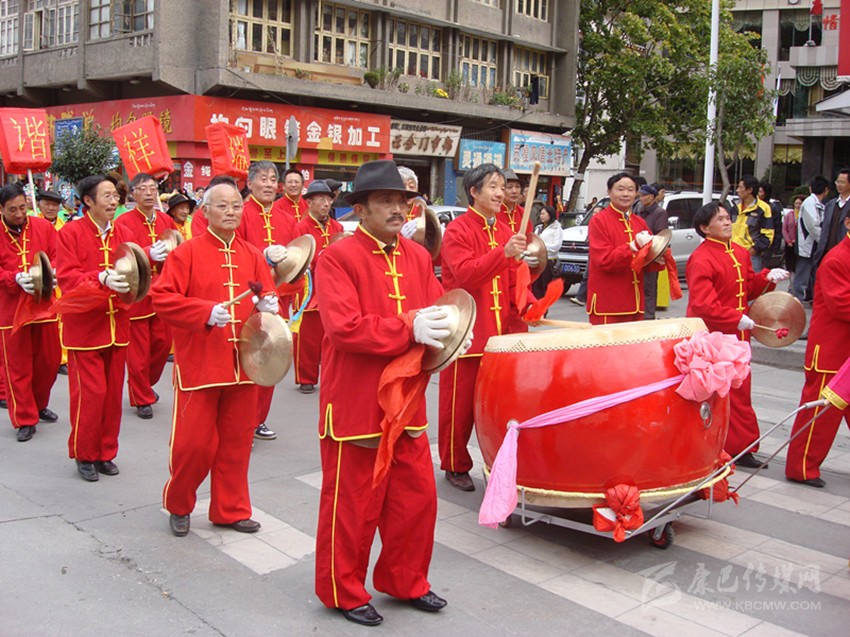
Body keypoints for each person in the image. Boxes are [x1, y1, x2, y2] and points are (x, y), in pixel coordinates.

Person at [314, 159, 454, 626]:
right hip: (355, 401)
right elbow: (343, 328)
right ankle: (343, 590)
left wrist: (456, 330)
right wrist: (408, 326)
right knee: (352, 504)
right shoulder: (336, 257)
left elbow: (438, 309)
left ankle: (405, 579)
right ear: (361, 209)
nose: (398, 209)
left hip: (407, 401)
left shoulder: (417, 256)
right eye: (385, 201)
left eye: (402, 201)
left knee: (416, 500)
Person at [151, 181, 278, 537]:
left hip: (244, 364)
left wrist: (270, 303)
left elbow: (266, 292)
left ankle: (230, 509)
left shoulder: (252, 253)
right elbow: (163, 299)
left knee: (236, 443)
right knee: (192, 445)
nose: (231, 212)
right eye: (222, 206)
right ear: (204, 211)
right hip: (201, 364)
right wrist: (203, 312)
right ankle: (179, 504)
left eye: (236, 206)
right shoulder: (186, 253)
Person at [438, 163, 536, 491]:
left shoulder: (505, 231)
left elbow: (514, 280)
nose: (499, 193)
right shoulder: (458, 230)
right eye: (492, 187)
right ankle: (454, 463)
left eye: (502, 187)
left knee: (496, 405)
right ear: (474, 191)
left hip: (498, 336)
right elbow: (466, 275)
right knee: (458, 405)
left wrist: (528, 306)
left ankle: (496, 460)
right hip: (466, 333)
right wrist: (502, 253)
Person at [686, 201, 789, 467]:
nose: (727, 222)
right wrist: (735, 317)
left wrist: (767, 278)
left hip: (738, 334)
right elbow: (703, 304)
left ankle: (742, 447)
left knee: (741, 393)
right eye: (720, 219)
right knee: (717, 394)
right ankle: (715, 446)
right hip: (714, 337)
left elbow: (749, 287)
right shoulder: (701, 257)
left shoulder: (740, 252)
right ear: (704, 228)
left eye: (727, 218)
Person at [57, 175, 134, 481]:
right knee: (90, 395)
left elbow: (136, 271)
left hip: (117, 324)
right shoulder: (71, 233)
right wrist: (99, 278)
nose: (113, 201)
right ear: (88, 201)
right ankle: (84, 453)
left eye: (115, 195)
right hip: (85, 329)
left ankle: (105, 452)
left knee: (112, 396)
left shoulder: (123, 232)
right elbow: (67, 277)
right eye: (106, 196)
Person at [785, 213, 850, 488]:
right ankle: (801, 468)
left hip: (844, 352)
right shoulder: (837, 259)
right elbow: (841, 304)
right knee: (819, 416)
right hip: (831, 352)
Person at [240, 161, 297, 441]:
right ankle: (243, 422)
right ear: (250, 183)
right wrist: (262, 256)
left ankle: (258, 420)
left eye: (273, 179)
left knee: (272, 357)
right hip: (246, 298)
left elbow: (296, 261)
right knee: (248, 359)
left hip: (277, 299)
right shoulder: (240, 214)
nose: (269, 184)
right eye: (263, 179)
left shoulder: (287, 219)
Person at [0, 183, 61, 442]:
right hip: (11, 308)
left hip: (43, 305)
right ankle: (24, 418)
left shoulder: (43, 227)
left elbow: (58, 255)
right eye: (12, 210)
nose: (19, 214)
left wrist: (53, 272)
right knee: (18, 367)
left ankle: (38, 404)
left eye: (22, 208)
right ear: (1, 209)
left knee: (49, 361)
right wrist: (13, 278)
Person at [115, 173, 177, 419]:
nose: (149, 193)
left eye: (153, 188)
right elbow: (122, 257)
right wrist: (147, 253)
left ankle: (142, 384)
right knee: (138, 352)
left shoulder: (166, 220)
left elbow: (178, 249)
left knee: (162, 345)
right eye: (143, 189)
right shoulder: (124, 222)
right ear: (133, 193)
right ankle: (141, 396)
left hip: (162, 292)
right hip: (138, 292)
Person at [585, 172, 662, 325]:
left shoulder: (639, 222)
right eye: (620, 189)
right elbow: (604, 260)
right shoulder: (599, 221)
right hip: (608, 302)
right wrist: (632, 247)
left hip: (635, 301)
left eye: (630, 190)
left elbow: (647, 261)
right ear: (609, 192)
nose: (626, 194)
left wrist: (658, 256)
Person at [292, 180, 343, 394]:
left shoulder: (337, 227)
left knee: (332, 336)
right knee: (308, 338)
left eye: (328, 199)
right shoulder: (300, 227)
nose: (326, 204)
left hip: (332, 287)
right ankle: (306, 378)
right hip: (309, 287)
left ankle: (334, 378)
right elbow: (297, 258)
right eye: (320, 200)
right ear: (309, 203)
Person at [793, 176, 829, 303]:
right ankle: (796, 300)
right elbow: (813, 226)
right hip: (808, 245)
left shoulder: (817, 203)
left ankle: (811, 298)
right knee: (802, 275)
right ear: (826, 190)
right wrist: (823, 241)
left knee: (813, 274)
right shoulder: (809, 203)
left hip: (814, 246)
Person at [637, 183, 668, 319]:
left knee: (649, 287)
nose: (641, 198)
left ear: (651, 197)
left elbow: (661, 236)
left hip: (652, 255)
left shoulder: (659, 213)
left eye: (643, 196)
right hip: (638, 253)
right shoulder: (639, 210)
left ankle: (648, 316)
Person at [732, 175, 774, 272]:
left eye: (740, 187)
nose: (737, 190)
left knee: (751, 280)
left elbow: (768, 235)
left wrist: (753, 250)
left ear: (749, 190)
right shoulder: (735, 207)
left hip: (751, 256)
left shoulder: (763, 208)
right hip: (733, 254)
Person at [813, 167, 850, 267]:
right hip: (826, 252)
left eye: (842, 182)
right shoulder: (830, 204)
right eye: (837, 182)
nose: (839, 185)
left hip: (844, 254)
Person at [531, 205, 563, 299]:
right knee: (536, 286)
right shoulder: (539, 227)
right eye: (540, 214)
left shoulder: (556, 228)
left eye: (543, 214)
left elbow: (556, 246)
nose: (541, 216)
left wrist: (542, 246)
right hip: (537, 260)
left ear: (550, 215)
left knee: (545, 286)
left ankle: (545, 306)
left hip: (548, 260)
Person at [496, 168, 524, 233]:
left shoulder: (522, 212)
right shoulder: (493, 212)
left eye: (517, 187)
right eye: (509, 187)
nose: (514, 191)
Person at [783, 194, 804, 279]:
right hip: (789, 244)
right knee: (789, 264)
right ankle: (790, 282)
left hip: (799, 244)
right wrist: (788, 240)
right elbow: (784, 229)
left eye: (800, 203)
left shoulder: (804, 215)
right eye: (796, 203)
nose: (798, 205)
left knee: (797, 264)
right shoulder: (789, 215)